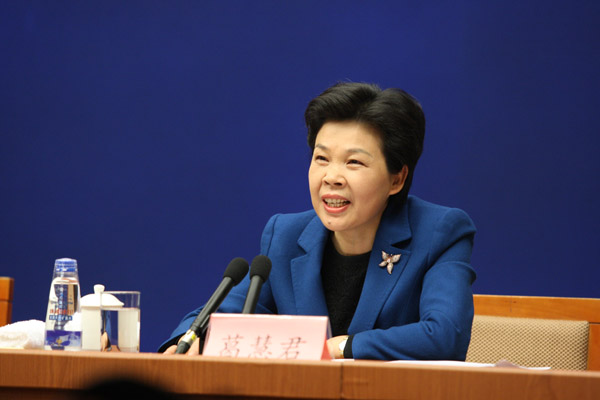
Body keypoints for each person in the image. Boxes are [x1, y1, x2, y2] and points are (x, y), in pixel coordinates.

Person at [160, 82, 476, 360]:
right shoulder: (285, 235)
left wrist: (342, 346)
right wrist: (187, 340)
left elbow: (445, 335)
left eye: (353, 162)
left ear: (397, 179)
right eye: (321, 158)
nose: (331, 177)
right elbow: (224, 315)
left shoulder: (440, 232)